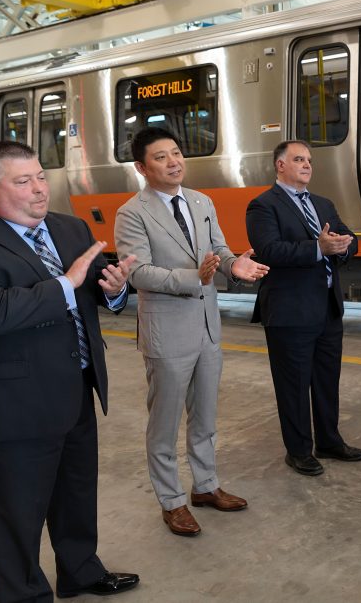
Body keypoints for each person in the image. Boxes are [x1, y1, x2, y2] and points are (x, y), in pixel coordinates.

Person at [0, 141, 139, 602]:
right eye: (22, 181)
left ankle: (80, 572)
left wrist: (113, 290)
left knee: (76, 496)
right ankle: (25, 595)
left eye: (41, 177)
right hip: (15, 406)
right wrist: (67, 283)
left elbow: (95, 297)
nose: (39, 190)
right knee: (16, 514)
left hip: (76, 389)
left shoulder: (70, 229)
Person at [114, 127, 269, 537]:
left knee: (205, 416)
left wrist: (234, 266)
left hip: (207, 328)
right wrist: (195, 277)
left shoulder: (202, 201)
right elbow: (139, 272)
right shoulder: (132, 212)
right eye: (161, 157)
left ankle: (205, 486)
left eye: (177, 153)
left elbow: (220, 251)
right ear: (142, 167)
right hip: (166, 332)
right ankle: (171, 501)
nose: (173, 162)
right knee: (164, 422)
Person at [245, 140, 361, 476]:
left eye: (309, 160)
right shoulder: (263, 206)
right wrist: (318, 248)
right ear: (280, 165)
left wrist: (344, 246)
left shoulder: (323, 204)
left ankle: (329, 441)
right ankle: (298, 451)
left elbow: (349, 237)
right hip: (289, 311)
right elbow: (269, 250)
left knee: (327, 380)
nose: (307, 165)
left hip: (327, 307)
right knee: (294, 384)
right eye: (299, 159)